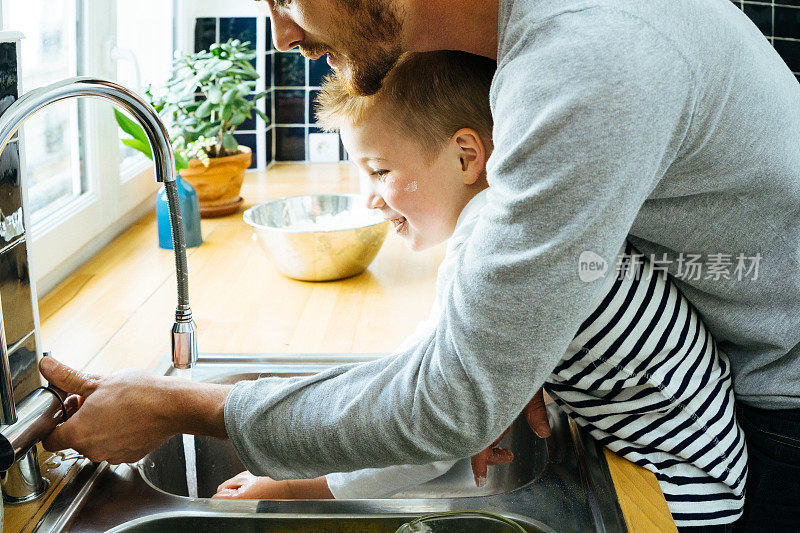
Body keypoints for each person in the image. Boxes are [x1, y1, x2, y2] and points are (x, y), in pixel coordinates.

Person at [39, 0, 800, 530]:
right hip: (727, 412)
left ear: (469, 156)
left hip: (740, 448)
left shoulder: (588, 59)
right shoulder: (542, 60)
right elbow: (458, 377)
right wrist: (522, 355)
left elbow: (439, 410)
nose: (277, 33)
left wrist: (192, 414)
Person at [209, 51, 747, 528]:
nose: (370, 198)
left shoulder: (493, 251)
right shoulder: (523, 221)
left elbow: (425, 425)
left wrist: (294, 490)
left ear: (467, 157)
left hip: (680, 493)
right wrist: (511, 388)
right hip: (699, 458)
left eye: (380, 170)